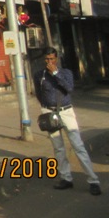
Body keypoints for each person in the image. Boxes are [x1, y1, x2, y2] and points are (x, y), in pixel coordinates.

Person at [33, 47, 101, 196]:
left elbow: (69, 88)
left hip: (66, 111)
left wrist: (55, 73)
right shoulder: (39, 75)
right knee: (58, 147)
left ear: (56, 59)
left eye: (52, 59)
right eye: (47, 59)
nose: (49, 62)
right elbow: (38, 93)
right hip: (50, 113)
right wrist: (45, 108)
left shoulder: (65, 73)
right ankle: (66, 177)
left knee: (78, 146)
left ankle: (93, 180)